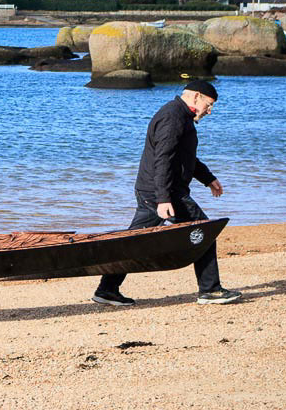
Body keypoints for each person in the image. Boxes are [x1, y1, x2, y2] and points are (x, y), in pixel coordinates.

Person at [92, 80, 243, 307]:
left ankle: (107, 289)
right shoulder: (172, 118)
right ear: (196, 97)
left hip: (156, 191)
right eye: (209, 105)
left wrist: (208, 178)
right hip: (162, 192)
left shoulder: (181, 117)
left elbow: (183, 157)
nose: (210, 111)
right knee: (203, 231)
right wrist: (163, 199)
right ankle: (210, 290)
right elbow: (162, 160)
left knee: (134, 242)